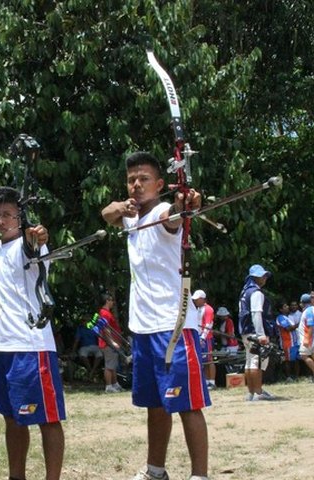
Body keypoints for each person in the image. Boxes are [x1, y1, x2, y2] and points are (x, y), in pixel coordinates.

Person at [101, 151, 209, 480]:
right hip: (143, 327)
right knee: (155, 403)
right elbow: (107, 213)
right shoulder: (130, 217)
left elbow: (177, 214)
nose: (136, 185)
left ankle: (199, 475)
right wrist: (119, 208)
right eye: (132, 179)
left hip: (173, 325)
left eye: (144, 179)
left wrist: (184, 203)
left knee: (188, 403)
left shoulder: (163, 212)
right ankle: (155, 470)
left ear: (159, 184)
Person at [0, 186, 65, 480]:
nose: (0, 222)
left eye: (8, 216)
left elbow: (35, 243)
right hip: (0, 346)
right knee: (12, 418)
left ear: (21, 218)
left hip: (31, 346)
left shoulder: (30, 246)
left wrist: (35, 236)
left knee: (47, 420)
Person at [238, 264, 275, 401]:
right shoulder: (256, 293)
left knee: (249, 361)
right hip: (255, 332)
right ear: (255, 277)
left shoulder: (244, 292)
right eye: (262, 276)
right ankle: (258, 393)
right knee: (257, 361)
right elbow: (256, 314)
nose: (265, 278)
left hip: (246, 331)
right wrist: (261, 335)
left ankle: (251, 392)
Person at [96, 292, 124, 393]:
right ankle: (108, 386)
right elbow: (105, 329)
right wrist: (112, 342)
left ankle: (115, 384)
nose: (113, 302)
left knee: (113, 365)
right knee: (109, 366)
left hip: (110, 343)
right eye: (111, 300)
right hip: (108, 344)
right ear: (107, 301)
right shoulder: (105, 313)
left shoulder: (105, 312)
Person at [192, 290, 216, 389]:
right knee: (203, 359)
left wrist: (203, 337)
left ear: (202, 299)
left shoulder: (208, 309)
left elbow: (208, 324)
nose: (195, 301)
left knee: (209, 359)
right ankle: (206, 381)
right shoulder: (198, 309)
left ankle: (212, 381)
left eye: (197, 299)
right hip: (199, 335)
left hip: (206, 337)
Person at [298, 294, 314, 382]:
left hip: (309, 338)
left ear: (302, 303)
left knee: (303, 356)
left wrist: (307, 339)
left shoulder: (308, 311)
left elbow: (310, 326)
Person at [71, 314, 103, 381]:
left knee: (100, 355)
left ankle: (92, 371)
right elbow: (77, 341)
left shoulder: (93, 328)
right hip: (84, 346)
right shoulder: (80, 329)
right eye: (84, 320)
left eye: (88, 320)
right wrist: (73, 351)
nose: (86, 322)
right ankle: (90, 370)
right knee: (82, 355)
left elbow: (100, 338)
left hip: (94, 346)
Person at [275, 302, 300, 381]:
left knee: (296, 360)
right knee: (288, 360)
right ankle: (288, 377)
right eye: (285, 306)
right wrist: (299, 323)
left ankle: (297, 377)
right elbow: (288, 328)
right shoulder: (280, 318)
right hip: (287, 343)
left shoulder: (288, 317)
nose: (288, 307)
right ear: (281, 309)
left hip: (295, 342)